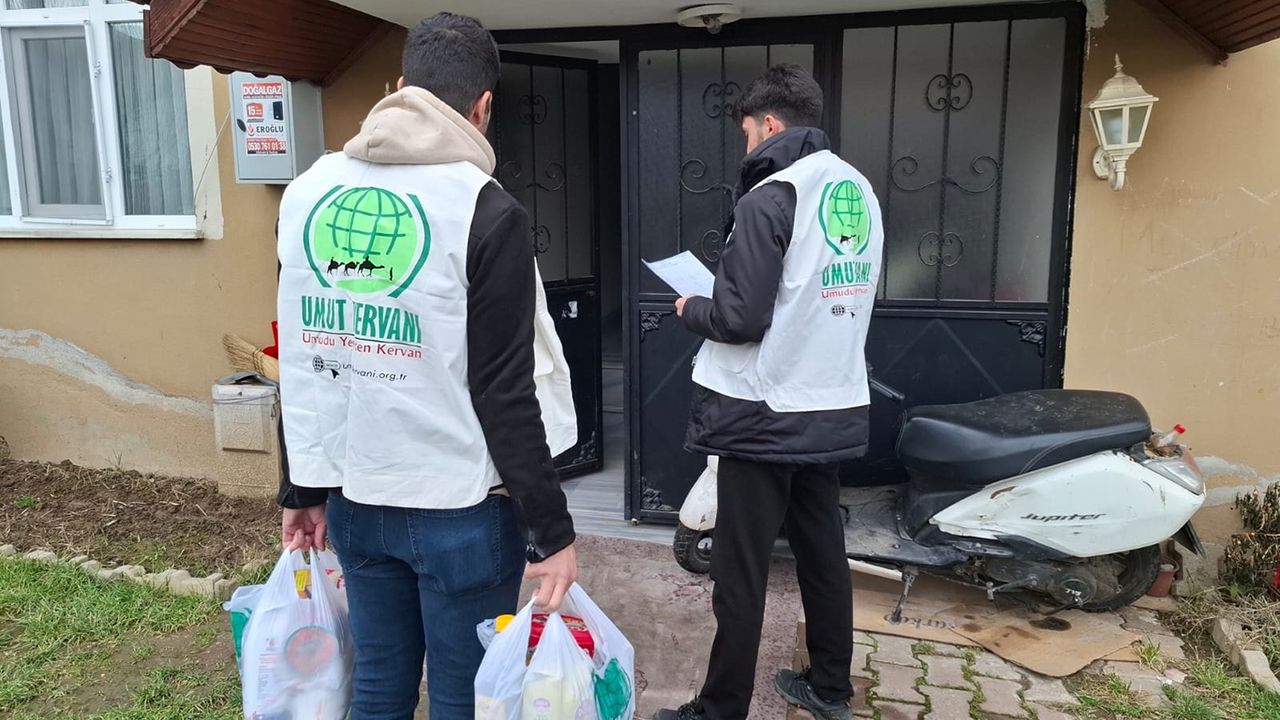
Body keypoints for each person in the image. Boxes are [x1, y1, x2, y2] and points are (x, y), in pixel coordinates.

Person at [273, 12, 578, 720]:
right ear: (483, 107)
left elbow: (306, 354)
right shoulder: (484, 209)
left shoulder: (309, 192)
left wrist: (301, 488)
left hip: (356, 500)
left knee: (378, 688)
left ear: (398, 87)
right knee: (461, 698)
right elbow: (505, 389)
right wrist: (551, 532)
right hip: (460, 512)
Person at [656, 64, 884, 720]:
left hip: (763, 412)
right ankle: (830, 688)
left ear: (770, 125)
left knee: (740, 572)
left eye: (748, 133)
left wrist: (692, 307)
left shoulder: (771, 196)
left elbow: (739, 319)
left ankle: (720, 710)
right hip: (829, 402)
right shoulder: (857, 191)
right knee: (822, 553)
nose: (748, 144)